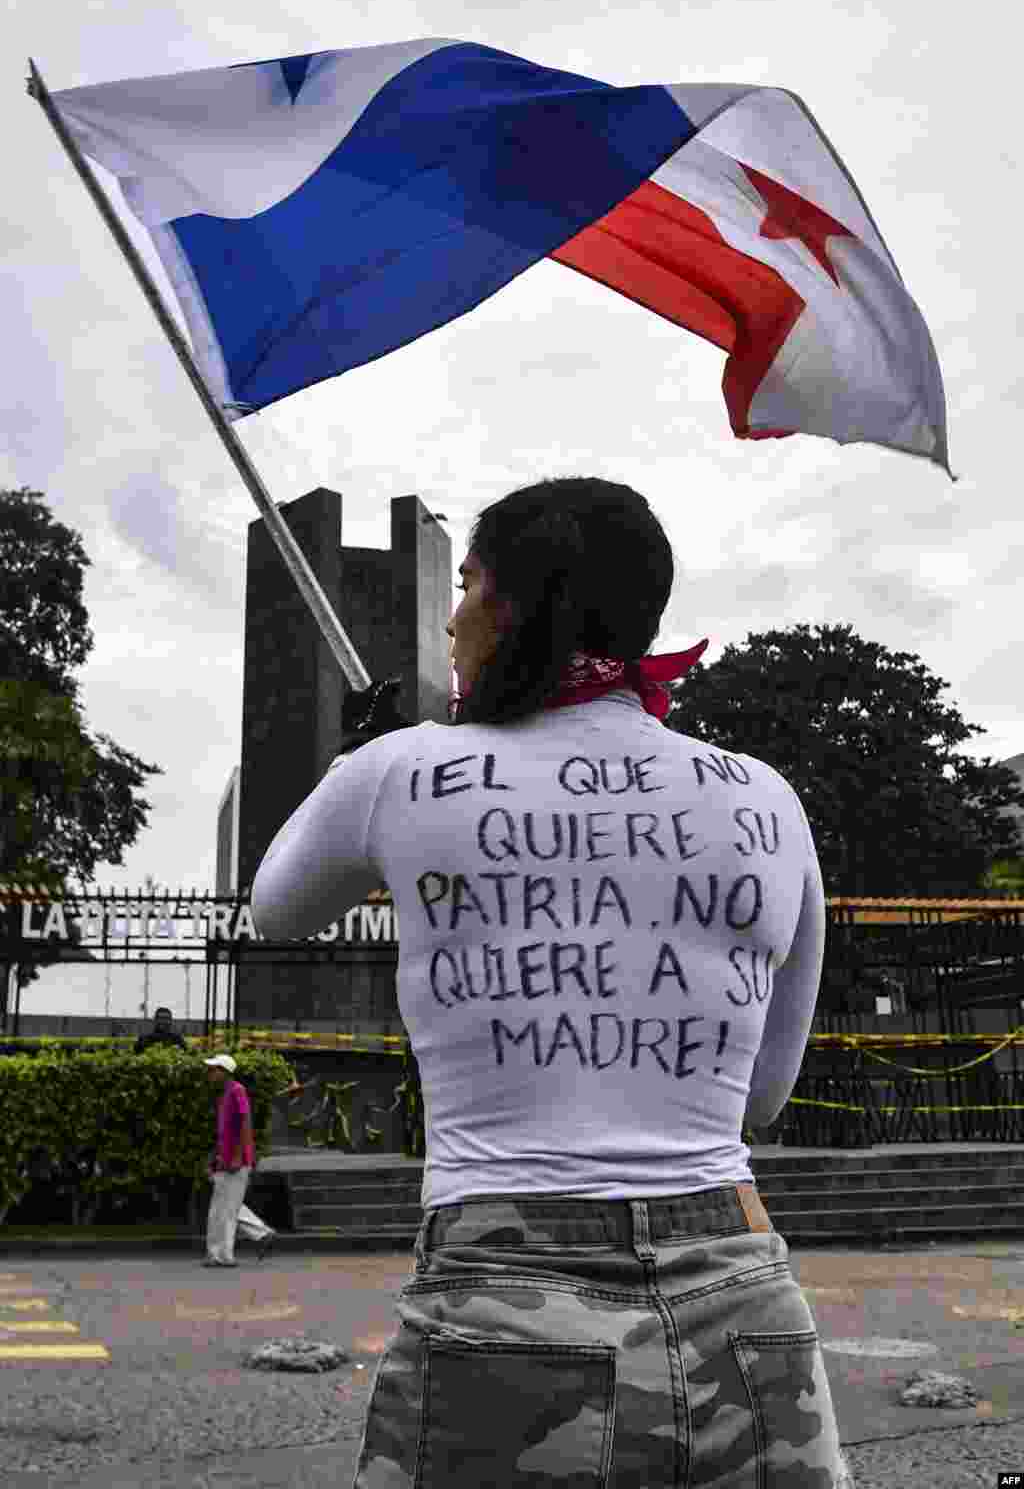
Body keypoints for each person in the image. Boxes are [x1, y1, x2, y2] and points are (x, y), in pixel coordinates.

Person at [250, 478, 853, 1487]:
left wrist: (357, 764)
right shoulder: (766, 799)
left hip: (500, 1291)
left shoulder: (402, 772)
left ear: (519, 602)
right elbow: (761, 1096)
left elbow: (277, 907)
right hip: (743, 1294)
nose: (451, 614)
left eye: (472, 581)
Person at [203, 1054, 275, 1267]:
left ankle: (223, 1256)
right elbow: (224, 1132)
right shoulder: (225, 1094)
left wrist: (237, 1157)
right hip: (225, 1159)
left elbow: (245, 1124)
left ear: (224, 1072)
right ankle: (259, 1235)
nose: (210, 1073)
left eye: (214, 1069)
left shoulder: (237, 1091)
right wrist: (214, 1158)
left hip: (236, 1161)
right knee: (222, 1208)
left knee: (226, 1209)